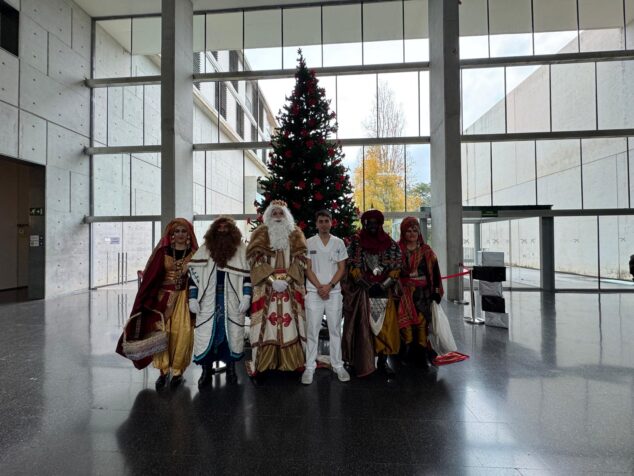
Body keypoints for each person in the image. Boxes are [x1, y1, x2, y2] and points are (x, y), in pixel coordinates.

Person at [116, 218, 198, 390]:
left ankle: (177, 372)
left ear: (189, 234)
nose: (181, 234)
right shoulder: (163, 252)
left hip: (184, 299)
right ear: (172, 234)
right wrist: (147, 300)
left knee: (182, 333)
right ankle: (163, 371)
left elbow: (201, 279)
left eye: (184, 231)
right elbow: (151, 277)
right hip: (162, 301)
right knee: (162, 333)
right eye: (177, 231)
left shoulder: (195, 254)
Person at [246, 200, 307, 379]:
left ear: (286, 216)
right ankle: (265, 365)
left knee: (291, 326)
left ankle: (292, 363)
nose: (278, 217)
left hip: (290, 286)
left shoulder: (296, 233)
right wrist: (273, 281)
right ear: (268, 216)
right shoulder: (260, 233)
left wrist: (286, 280)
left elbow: (301, 259)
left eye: (281, 214)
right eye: (274, 214)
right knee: (266, 327)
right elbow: (255, 260)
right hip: (267, 288)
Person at [188, 217, 251, 388]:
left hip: (232, 300)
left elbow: (247, 277)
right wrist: (192, 298)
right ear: (213, 230)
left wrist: (246, 296)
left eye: (226, 227)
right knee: (207, 334)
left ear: (232, 231)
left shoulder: (240, 250)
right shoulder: (204, 250)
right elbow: (194, 276)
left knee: (232, 334)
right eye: (219, 227)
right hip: (207, 301)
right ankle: (206, 371)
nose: (222, 230)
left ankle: (231, 370)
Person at [343, 209, 401, 378]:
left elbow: (396, 267)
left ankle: (383, 363)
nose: (372, 226)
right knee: (362, 328)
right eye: (369, 223)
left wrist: (383, 285)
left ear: (380, 224)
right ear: (364, 224)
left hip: (384, 293)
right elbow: (351, 266)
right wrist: (367, 285)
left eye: (375, 223)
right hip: (362, 293)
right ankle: (359, 362)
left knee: (384, 328)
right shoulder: (355, 243)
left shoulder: (390, 243)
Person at [301, 209, 350, 385]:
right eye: (320, 221)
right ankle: (309, 367)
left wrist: (329, 286)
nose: (323, 224)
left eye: (326, 221)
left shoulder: (338, 243)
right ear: (316, 224)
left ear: (331, 222)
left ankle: (337, 365)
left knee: (335, 329)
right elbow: (307, 269)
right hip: (314, 292)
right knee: (312, 330)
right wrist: (320, 287)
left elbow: (342, 268)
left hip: (334, 292)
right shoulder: (309, 242)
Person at [397, 217, 443, 367]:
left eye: (415, 230)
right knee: (405, 323)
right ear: (403, 232)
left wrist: (436, 291)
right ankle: (407, 350)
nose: (412, 234)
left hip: (423, 293)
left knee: (423, 321)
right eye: (408, 231)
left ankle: (423, 352)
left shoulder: (427, 251)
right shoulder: (397, 250)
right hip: (403, 293)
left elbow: (435, 272)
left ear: (419, 232)